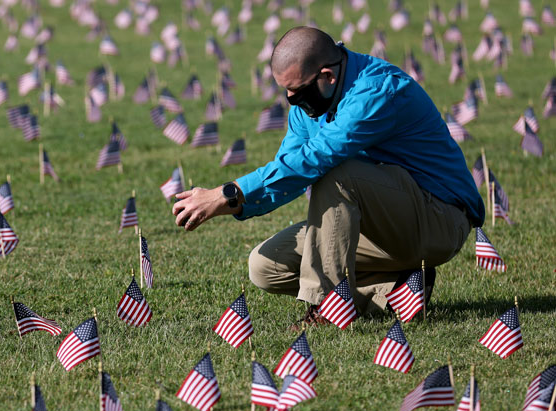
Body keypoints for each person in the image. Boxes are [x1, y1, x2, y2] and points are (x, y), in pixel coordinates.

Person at [171, 26, 484, 328]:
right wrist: (233, 201)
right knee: (264, 266)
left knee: (337, 174)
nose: (292, 100)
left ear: (327, 76)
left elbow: (315, 158)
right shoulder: (311, 104)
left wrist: (228, 192)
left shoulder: (375, 91)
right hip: (383, 226)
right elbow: (289, 166)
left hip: (438, 219)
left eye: (297, 92)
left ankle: (327, 307)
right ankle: (397, 290)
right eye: (287, 93)